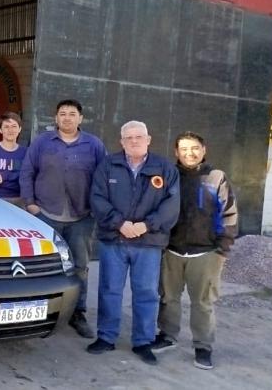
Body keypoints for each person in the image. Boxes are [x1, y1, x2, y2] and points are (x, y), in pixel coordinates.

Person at [87, 120, 180, 365]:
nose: (134, 141)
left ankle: (143, 341)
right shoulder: (107, 165)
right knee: (109, 290)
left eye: (139, 136)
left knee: (146, 293)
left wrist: (145, 225)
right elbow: (97, 198)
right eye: (128, 138)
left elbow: (171, 205)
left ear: (148, 140)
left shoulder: (165, 168)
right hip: (114, 239)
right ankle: (106, 338)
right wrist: (120, 223)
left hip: (148, 242)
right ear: (121, 142)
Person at [151, 131, 238, 370]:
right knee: (168, 297)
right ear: (176, 152)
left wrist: (222, 249)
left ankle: (203, 346)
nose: (190, 153)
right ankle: (167, 335)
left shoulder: (216, 177)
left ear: (204, 149)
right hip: (172, 250)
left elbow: (229, 214)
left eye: (195, 148)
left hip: (206, 252)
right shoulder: (169, 176)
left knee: (203, 302)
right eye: (184, 149)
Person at [19, 99, 106, 338]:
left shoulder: (94, 145)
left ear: (81, 118)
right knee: (44, 268)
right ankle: (42, 315)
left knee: (79, 267)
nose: (67, 118)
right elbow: (27, 172)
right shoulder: (42, 143)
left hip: (82, 217)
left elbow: (103, 179)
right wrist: (31, 204)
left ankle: (77, 313)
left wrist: (96, 209)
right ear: (56, 118)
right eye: (62, 114)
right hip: (46, 215)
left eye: (72, 114)